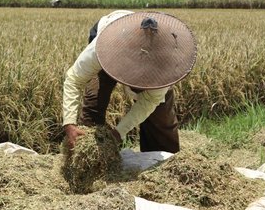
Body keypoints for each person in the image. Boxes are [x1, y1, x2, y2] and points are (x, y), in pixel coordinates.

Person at [62, 10, 197, 153]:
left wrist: (119, 133)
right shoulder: (103, 47)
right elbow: (74, 79)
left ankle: (161, 160)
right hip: (111, 38)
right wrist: (69, 124)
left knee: (161, 113)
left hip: (151, 58)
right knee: (94, 102)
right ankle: (85, 157)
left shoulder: (166, 64)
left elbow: (150, 101)